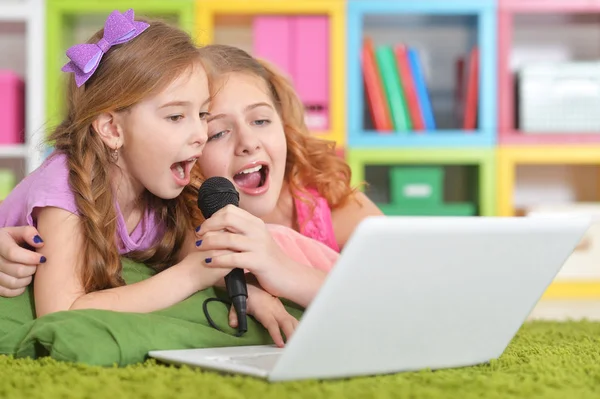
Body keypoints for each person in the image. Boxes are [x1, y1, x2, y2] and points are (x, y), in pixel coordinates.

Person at [184, 44, 383, 311]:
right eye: (217, 133)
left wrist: (285, 271)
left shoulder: (329, 201)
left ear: (284, 126)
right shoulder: (185, 227)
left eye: (261, 121)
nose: (248, 142)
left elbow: (402, 288)